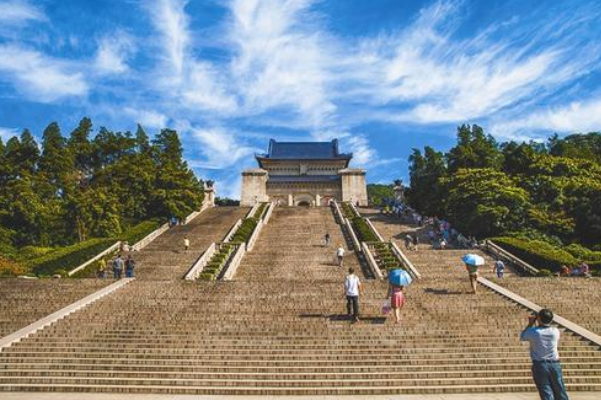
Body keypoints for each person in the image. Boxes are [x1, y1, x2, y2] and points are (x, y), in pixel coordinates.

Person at [520, 309, 569, 400]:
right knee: (560, 390)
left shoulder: (534, 332)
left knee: (546, 391)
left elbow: (523, 336)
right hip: (555, 364)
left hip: (540, 365)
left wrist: (531, 323)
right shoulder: (555, 331)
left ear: (539, 319)